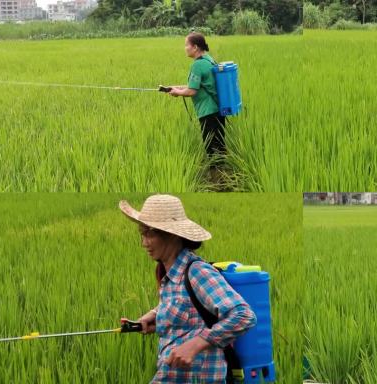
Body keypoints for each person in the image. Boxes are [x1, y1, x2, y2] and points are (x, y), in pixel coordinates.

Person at [120, 194, 256, 383]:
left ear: (172, 234)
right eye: (142, 233)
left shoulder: (197, 272)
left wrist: (195, 345)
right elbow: (187, 310)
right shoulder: (170, 275)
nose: (144, 243)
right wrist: (155, 316)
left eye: (150, 233)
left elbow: (244, 315)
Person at [169, 33, 226, 160]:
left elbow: (192, 91)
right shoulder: (208, 59)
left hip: (207, 111)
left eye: (186, 45)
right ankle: (222, 172)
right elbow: (199, 85)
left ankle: (216, 175)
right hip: (217, 108)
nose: (185, 48)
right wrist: (178, 88)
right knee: (220, 144)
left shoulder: (197, 65)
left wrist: (177, 92)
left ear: (195, 47)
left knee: (211, 147)